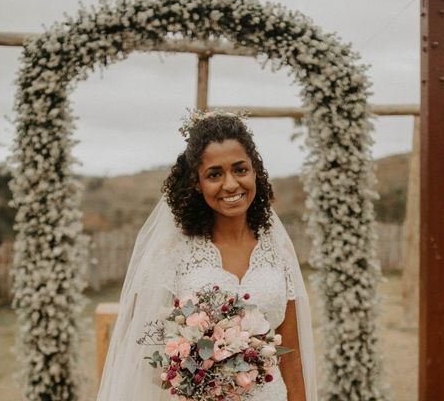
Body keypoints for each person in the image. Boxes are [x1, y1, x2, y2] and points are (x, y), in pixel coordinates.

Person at [96, 112, 317, 401]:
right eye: (215, 174)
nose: (230, 185)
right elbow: (140, 348)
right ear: (197, 183)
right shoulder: (172, 253)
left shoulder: (278, 252)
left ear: (255, 172)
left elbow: (292, 356)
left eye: (240, 169)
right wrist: (194, 372)